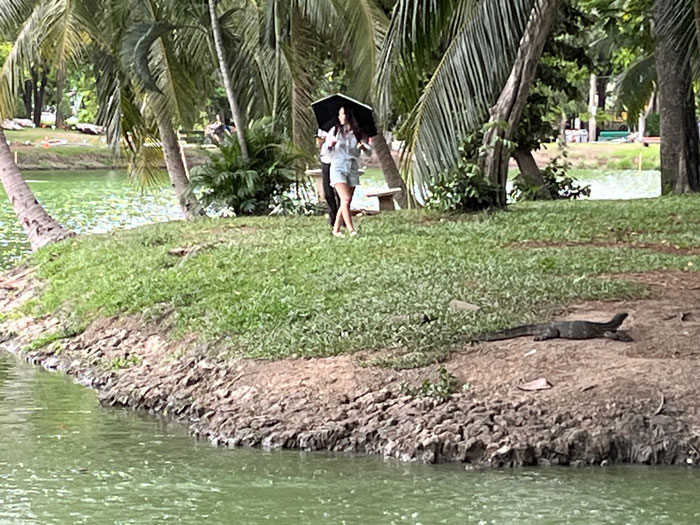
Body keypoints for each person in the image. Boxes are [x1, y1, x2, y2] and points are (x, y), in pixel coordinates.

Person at [325, 106, 371, 237]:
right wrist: (330, 145)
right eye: (339, 115)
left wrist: (363, 147)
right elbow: (325, 152)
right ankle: (351, 230)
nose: (340, 117)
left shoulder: (358, 133)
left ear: (348, 116)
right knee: (345, 198)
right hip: (338, 166)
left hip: (352, 166)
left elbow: (369, 152)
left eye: (342, 114)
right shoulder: (335, 131)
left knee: (346, 201)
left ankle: (336, 230)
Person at [316, 128, 340, 228]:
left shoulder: (343, 128)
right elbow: (319, 144)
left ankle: (341, 217)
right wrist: (321, 140)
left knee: (340, 192)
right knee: (328, 192)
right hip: (326, 160)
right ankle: (333, 216)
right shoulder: (324, 127)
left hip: (339, 160)